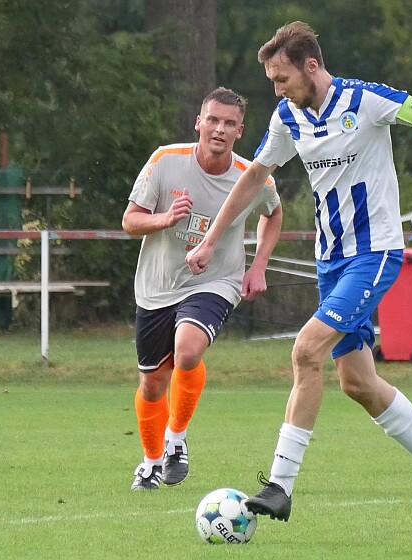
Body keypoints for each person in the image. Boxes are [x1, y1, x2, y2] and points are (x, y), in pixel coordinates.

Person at [186, 21, 412, 528]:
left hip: (374, 254)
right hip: (331, 260)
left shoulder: (366, 100)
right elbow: (255, 177)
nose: (277, 90)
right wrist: (210, 238)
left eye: (282, 78)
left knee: (305, 350)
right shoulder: (288, 116)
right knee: (358, 383)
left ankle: (279, 486)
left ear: (311, 66)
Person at [122, 87, 284, 490]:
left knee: (189, 350)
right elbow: (130, 221)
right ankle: (151, 463)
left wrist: (258, 265)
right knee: (153, 384)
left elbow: (274, 212)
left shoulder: (252, 175)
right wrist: (164, 219)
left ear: (240, 131)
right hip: (157, 286)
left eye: (229, 123)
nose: (219, 129)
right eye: (213, 120)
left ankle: (176, 439)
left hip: (217, 280)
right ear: (199, 122)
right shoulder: (165, 161)